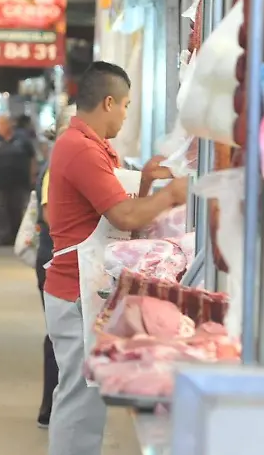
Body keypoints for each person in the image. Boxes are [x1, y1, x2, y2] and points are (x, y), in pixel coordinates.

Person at [44, 62, 187, 455]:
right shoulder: (79, 149)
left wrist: (145, 182)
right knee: (78, 397)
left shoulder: (97, 148)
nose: (126, 114)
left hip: (85, 288)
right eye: (125, 106)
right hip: (74, 290)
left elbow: (116, 204)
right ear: (108, 102)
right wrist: (173, 194)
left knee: (87, 396)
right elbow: (123, 216)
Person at [34, 105, 75, 429]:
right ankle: (51, 407)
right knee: (58, 336)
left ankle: (55, 407)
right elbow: (52, 218)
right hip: (54, 259)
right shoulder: (57, 166)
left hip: (61, 259)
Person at [0, 114, 37, 246]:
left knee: (16, 208)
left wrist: (32, 175)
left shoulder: (22, 139)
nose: (0, 127)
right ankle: (3, 236)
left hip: (18, 181)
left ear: (10, 124)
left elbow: (32, 157)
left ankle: (16, 236)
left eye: (3, 124)